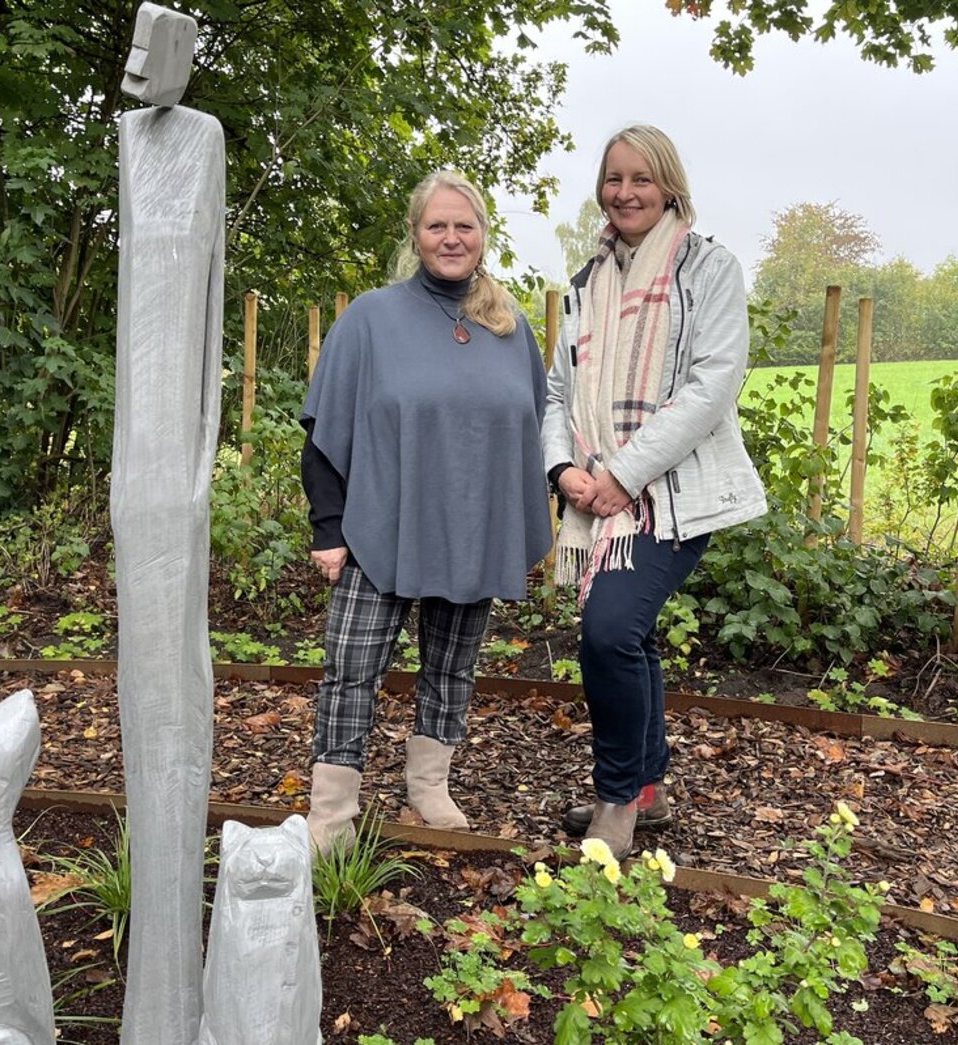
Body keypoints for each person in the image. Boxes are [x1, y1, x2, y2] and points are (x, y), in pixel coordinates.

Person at [300, 170, 552, 854]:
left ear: (483, 236)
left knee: (451, 668)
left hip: (471, 528)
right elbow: (324, 429)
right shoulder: (370, 319)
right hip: (378, 527)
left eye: (464, 226)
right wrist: (329, 528)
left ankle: (429, 788)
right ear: (415, 234)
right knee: (351, 667)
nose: (451, 237)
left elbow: (533, 427)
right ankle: (332, 815)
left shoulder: (509, 326)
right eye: (437, 225)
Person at [542, 125, 767, 859]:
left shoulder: (709, 268)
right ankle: (648, 789)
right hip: (596, 491)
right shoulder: (587, 282)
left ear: (669, 185)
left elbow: (711, 386)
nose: (625, 192)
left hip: (675, 496)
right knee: (629, 637)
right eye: (614, 178)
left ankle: (617, 798)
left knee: (608, 632)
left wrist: (622, 474)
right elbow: (556, 391)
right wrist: (563, 471)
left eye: (641, 178)